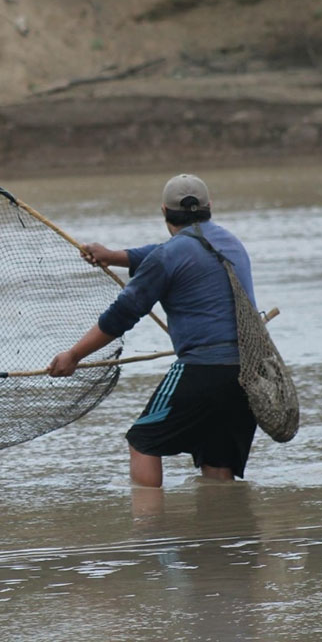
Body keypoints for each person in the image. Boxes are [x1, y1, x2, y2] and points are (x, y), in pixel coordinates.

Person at [48, 174, 257, 488]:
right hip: (248, 373)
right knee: (217, 466)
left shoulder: (168, 256)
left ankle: (148, 531)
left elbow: (122, 315)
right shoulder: (231, 244)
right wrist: (113, 256)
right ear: (209, 207)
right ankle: (224, 535)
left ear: (164, 211)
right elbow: (172, 253)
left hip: (204, 369)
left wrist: (74, 355)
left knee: (143, 440)